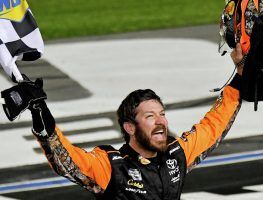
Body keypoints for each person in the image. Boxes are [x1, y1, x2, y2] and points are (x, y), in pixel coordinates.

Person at [28, 44, 244, 200]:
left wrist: (241, 76)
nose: (161, 122)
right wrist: (41, 116)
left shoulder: (176, 154)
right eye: (150, 116)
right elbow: (67, 161)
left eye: (162, 113)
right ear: (129, 127)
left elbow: (214, 126)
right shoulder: (112, 166)